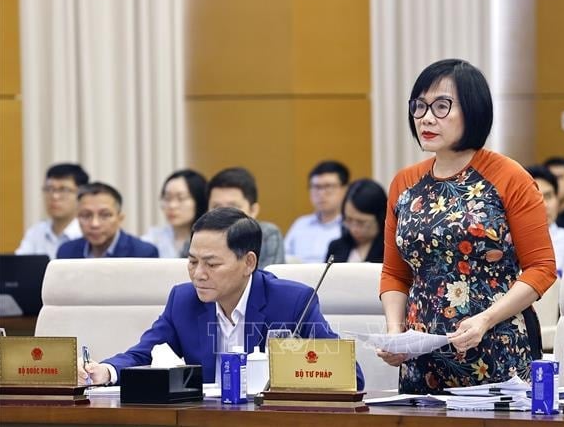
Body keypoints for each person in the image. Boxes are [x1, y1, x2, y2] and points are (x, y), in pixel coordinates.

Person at [378, 59, 556, 392]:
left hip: (496, 345)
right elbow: (395, 274)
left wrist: (486, 319)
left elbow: (541, 268)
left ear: (473, 110)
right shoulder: (404, 183)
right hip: (422, 356)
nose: (426, 118)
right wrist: (394, 332)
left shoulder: (510, 177)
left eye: (441, 106)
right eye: (419, 106)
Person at [78, 207, 365, 390]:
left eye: (212, 264)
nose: (198, 274)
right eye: (192, 261)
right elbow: (143, 353)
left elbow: (351, 374)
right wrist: (105, 371)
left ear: (249, 262)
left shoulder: (293, 302)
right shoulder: (183, 300)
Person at [207, 167, 284, 269]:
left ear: (253, 210)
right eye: (216, 207)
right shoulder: (198, 236)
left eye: (233, 207)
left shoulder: (267, 235)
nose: (224, 214)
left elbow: (269, 276)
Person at [57, 182, 158, 258]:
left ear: (120, 218)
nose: (95, 224)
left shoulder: (143, 253)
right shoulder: (66, 252)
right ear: (77, 218)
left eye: (105, 215)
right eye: (86, 215)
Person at [15, 163, 89, 259]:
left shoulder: (88, 233)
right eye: (49, 189)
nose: (55, 196)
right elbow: (19, 264)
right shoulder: (36, 232)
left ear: (81, 194)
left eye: (63, 190)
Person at [285, 161, 350, 263]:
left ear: (345, 189)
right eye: (316, 187)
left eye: (328, 186)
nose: (321, 193)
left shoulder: (351, 226)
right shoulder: (300, 224)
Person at [142, 169, 207, 258]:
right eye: (167, 198)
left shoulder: (209, 238)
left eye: (181, 198)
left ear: (199, 200)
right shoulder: (152, 239)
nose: (172, 205)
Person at [326, 179, 387, 263]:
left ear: (380, 218)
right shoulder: (336, 247)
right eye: (348, 220)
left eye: (361, 222)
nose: (354, 229)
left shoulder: (391, 250)